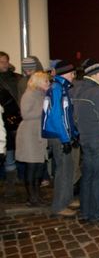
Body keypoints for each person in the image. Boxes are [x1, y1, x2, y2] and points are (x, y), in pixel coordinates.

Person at [70, 60, 99, 223]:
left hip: (85, 138)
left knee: (88, 175)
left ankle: (85, 209)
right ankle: (96, 212)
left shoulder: (77, 91)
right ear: (94, 75)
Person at [42, 60, 79, 217]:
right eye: (72, 73)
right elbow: (57, 117)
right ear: (65, 73)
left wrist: (74, 134)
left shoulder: (61, 87)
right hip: (59, 136)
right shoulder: (58, 88)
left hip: (63, 134)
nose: (74, 76)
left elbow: (67, 116)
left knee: (68, 168)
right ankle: (59, 206)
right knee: (62, 171)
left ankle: (67, 199)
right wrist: (65, 139)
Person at [15, 71, 49, 206]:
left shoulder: (42, 94)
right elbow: (25, 114)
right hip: (29, 134)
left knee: (40, 165)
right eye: (46, 81)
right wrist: (45, 110)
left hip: (39, 133)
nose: (48, 83)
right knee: (32, 165)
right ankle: (32, 198)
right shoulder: (29, 94)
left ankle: (36, 195)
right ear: (39, 82)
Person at [0, 51, 22, 197]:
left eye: (5, 61)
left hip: (19, 116)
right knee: (7, 149)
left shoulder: (17, 77)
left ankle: (16, 180)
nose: (4, 64)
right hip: (3, 117)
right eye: (1, 61)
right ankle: (10, 184)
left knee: (16, 148)